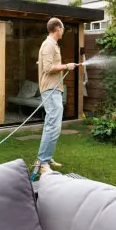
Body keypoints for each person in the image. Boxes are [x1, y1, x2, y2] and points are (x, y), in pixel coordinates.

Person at [36, 17, 77, 170]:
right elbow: (47, 68)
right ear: (58, 28)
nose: (63, 31)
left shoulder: (52, 45)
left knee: (52, 125)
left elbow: (45, 65)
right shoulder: (48, 45)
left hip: (54, 89)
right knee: (53, 126)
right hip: (50, 90)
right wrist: (66, 66)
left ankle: (45, 158)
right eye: (63, 28)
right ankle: (42, 162)